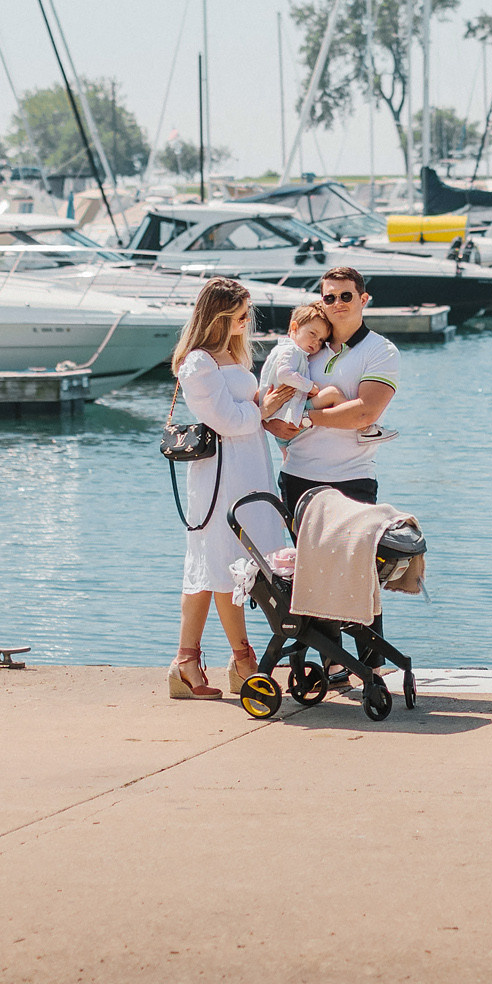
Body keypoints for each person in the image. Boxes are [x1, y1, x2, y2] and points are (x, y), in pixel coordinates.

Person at [168, 278, 293, 700]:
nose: (247, 320)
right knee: (226, 565)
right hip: (221, 478)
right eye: (240, 314)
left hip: (246, 470)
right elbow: (226, 420)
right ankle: (243, 660)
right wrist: (265, 408)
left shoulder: (229, 357)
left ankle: (187, 662)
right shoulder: (199, 363)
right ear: (219, 317)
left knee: (212, 566)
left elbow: (243, 417)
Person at [268, 265, 398, 514]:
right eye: (330, 297)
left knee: (351, 554)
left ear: (363, 299)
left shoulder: (381, 350)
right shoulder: (307, 348)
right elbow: (273, 394)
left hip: (351, 479)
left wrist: (302, 419)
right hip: (296, 476)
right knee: (302, 554)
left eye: (346, 296)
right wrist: (268, 421)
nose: (338, 302)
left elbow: (364, 414)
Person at [260, 302, 345, 432]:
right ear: (294, 327)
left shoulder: (283, 349)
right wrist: (310, 387)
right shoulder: (292, 350)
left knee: (286, 451)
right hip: (285, 413)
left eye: (321, 340)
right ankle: (360, 427)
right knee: (333, 394)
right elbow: (284, 374)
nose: (316, 342)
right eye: (312, 333)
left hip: (279, 415)